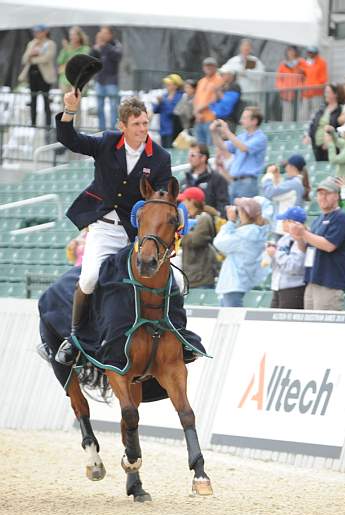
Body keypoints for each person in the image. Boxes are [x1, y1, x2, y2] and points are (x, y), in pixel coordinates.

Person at [54, 92, 172, 365]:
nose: (142, 130)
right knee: (89, 278)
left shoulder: (160, 157)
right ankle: (74, 338)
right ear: (122, 126)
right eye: (136, 125)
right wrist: (70, 110)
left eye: (145, 123)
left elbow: (164, 191)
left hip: (138, 233)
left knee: (171, 281)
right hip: (104, 228)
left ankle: (176, 334)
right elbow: (70, 140)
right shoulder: (108, 142)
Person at [290, 177, 345, 311]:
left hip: (329, 282)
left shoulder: (341, 217)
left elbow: (329, 245)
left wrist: (304, 233)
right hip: (313, 279)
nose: (322, 197)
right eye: (320, 193)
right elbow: (306, 248)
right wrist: (298, 237)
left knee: (326, 328)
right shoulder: (318, 219)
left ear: (336, 196)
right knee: (311, 327)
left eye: (327, 193)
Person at [213, 197, 268, 307]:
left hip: (235, 283)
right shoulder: (254, 230)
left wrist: (231, 222)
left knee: (231, 319)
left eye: (239, 210)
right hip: (239, 282)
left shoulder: (247, 233)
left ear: (244, 213)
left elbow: (219, 242)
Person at [210, 106, 267, 201]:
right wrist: (214, 133)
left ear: (254, 121)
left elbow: (244, 148)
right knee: (232, 213)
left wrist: (226, 131)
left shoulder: (261, 138)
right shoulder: (241, 137)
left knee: (245, 213)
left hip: (248, 183)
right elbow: (223, 146)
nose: (241, 121)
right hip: (234, 182)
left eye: (244, 118)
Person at [267, 206, 307, 309]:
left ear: (292, 222)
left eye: (285, 220)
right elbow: (275, 265)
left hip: (294, 289)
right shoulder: (283, 239)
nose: (282, 223)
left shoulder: (302, 239)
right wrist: (270, 256)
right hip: (278, 287)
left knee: (287, 324)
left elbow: (294, 267)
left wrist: (275, 254)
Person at [179, 187, 219, 288]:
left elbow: (196, 240)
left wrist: (180, 236)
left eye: (184, 200)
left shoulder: (204, 218)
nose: (182, 203)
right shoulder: (187, 218)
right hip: (190, 275)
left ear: (192, 201)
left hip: (202, 277)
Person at [18, 25, 57, 128]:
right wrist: (31, 53)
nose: (36, 34)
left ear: (45, 32)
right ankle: (33, 123)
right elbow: (24, 59)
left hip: (44, 76)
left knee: (45, 99)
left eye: (39, 31)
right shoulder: (32, 43)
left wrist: (34, 59)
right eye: (35, 32)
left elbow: (47, 58)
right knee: (33, 99)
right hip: (32, 74)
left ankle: (48, 124)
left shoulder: (50, 44)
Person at [183, 142, 229, 217]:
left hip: (209, 223)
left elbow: (223, 205)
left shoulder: (217, 179)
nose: (189, 158)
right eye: (189, 155)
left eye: (193, 155)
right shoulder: (185, 181)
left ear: (203, 158)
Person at [91, 26, 122, 130]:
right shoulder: (98, 45)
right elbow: (91, 57)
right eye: (101, 33)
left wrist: (105, 46)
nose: (102, 35)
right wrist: (96, 47)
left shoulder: (115, 44)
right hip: (100, 81)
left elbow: (118, 56)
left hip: (112, 82)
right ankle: (102, 130)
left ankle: (113, 130)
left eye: (105, 33)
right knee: (99, 108)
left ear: (110, 34)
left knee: (114, 108)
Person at [305, 83, 344, 161]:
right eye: (325, 92)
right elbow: (313, 124)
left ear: (335, 94)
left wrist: (330, 142)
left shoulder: (340, 110)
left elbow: (341, 130)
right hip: (317, 146)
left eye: (328, 92)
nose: (326, 95)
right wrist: (308, 135)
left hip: (330, 147)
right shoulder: (321, 108)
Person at [193, 57, 223, 145]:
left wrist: (198, 110)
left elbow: (214, 100)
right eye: (206, 65)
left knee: (211, 148)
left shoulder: (219, 80)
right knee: (200, 148)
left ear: (215, 67)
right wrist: (196, 113)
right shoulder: (201, 81)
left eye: (211, 65)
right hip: (199, 119)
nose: (208, 67)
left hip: (211, 119)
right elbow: (196, 99)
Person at [152, 73, 184, 148]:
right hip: (163, 129)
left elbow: (173, 111)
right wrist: (159, 103)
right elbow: (155, 110)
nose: (167, 86)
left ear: (176, 86)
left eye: (169, 84)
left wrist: (164, 101)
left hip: (173, 130)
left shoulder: (180, 96)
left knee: (172, 151)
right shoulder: (165, 95)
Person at [57, 26, 90, 93]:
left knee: (76, 102)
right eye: (71, 35)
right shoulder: (66, 48)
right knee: (64, 102)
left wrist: (66, 65)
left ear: (80, 36)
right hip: (64, 80)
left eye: (75, 35)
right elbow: (59, 61)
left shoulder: (85, 49)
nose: (72, 37)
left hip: (78, 81)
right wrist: (66, 49)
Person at [299, 47, 328, 120]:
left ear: (316, 53)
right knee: (304, 113)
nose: (309, 54)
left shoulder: (321, 62)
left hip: (316, 92)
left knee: (315, 111)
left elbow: (323, 78)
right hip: (306, 92)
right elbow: (304, 75)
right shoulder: (306, 62)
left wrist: (316, 86)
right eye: (309, 52)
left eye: (311, 52)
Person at [276, 46, 304, 121]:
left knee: (299, 113)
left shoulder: (300, 63)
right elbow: (279, 79)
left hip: (297, 93)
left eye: (292, 51)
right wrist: (283, 88)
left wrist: (300, 87)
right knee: (287, 113)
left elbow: (304, 77)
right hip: (286, 94)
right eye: (289, 51)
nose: (291, 53)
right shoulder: (283, 65)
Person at [209, 66, 241, 132]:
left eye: (223, 74)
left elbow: (227, 104)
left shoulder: (234, 87)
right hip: (217, 120)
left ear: (230, 75)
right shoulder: (223, 86)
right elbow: (212, 103)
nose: (220, 76)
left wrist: (218, 91)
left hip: (228, 122)